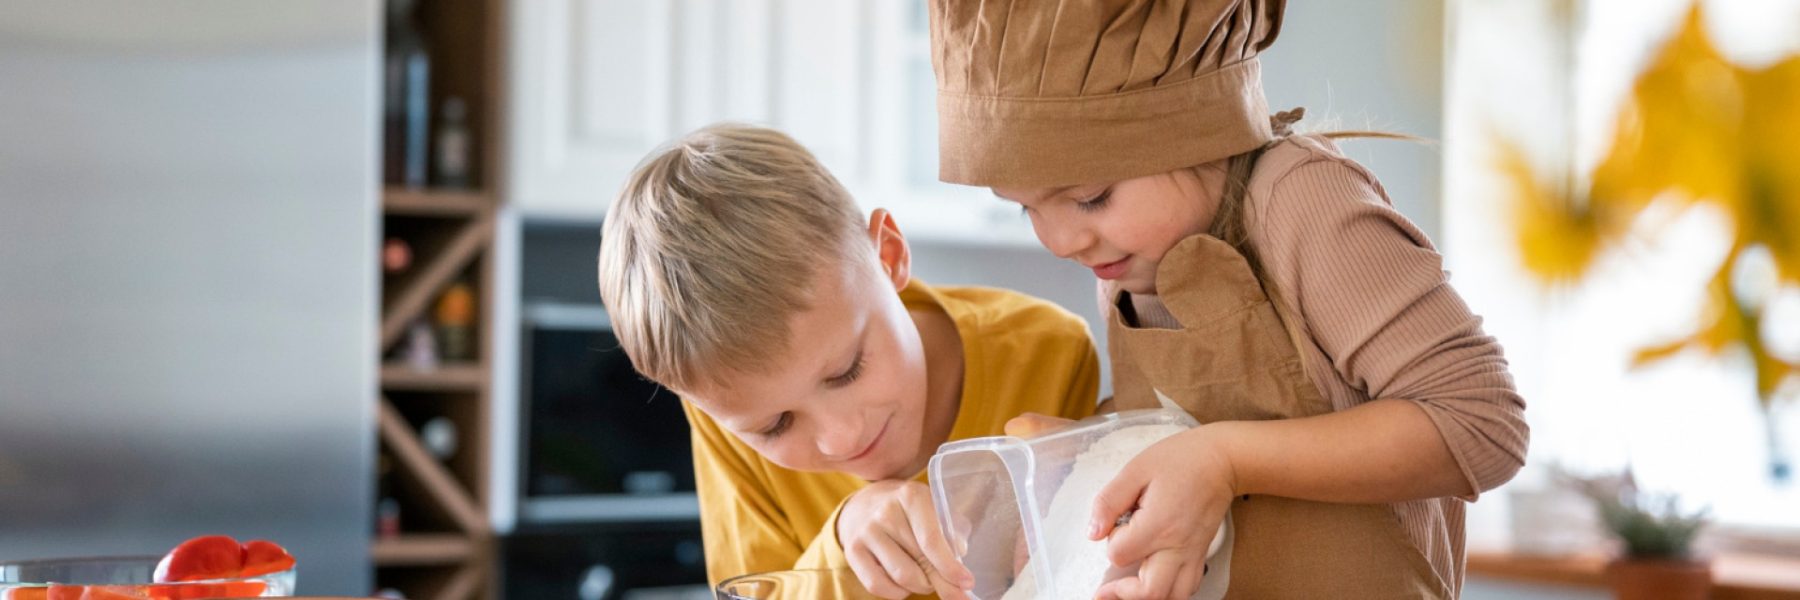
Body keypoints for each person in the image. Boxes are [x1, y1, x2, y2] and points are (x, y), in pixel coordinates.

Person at [926, 1, 1530, 597]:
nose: (1061, 242)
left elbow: (1481, 423)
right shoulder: (1126, 265)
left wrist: (1225, 460)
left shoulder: (1298, 202)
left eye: (1091, 198)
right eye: (1026, 208)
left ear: (1195, 128)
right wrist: (1084, 471)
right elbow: (1181, 434)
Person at [596, 123, 1101, 599]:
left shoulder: (1049, 352)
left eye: (847, 370)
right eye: (775, 426)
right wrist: (841, 546)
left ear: (889, 256)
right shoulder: (725, 421)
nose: (841, 438)